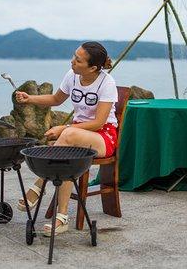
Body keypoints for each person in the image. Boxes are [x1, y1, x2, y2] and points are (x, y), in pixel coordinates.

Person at [16, 41, 118, 235]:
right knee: (65, 154)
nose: (72, 61)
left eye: (78, 60)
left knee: (67, 136)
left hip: (103, 137)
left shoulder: (107, 83)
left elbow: (98, 123)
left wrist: (65, 128)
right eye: (74, 56)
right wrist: (30, 98)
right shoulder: (72, 76)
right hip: (76, 136)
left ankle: (39, 185)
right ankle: (62, 217)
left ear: (93, 67)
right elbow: (55, 100)